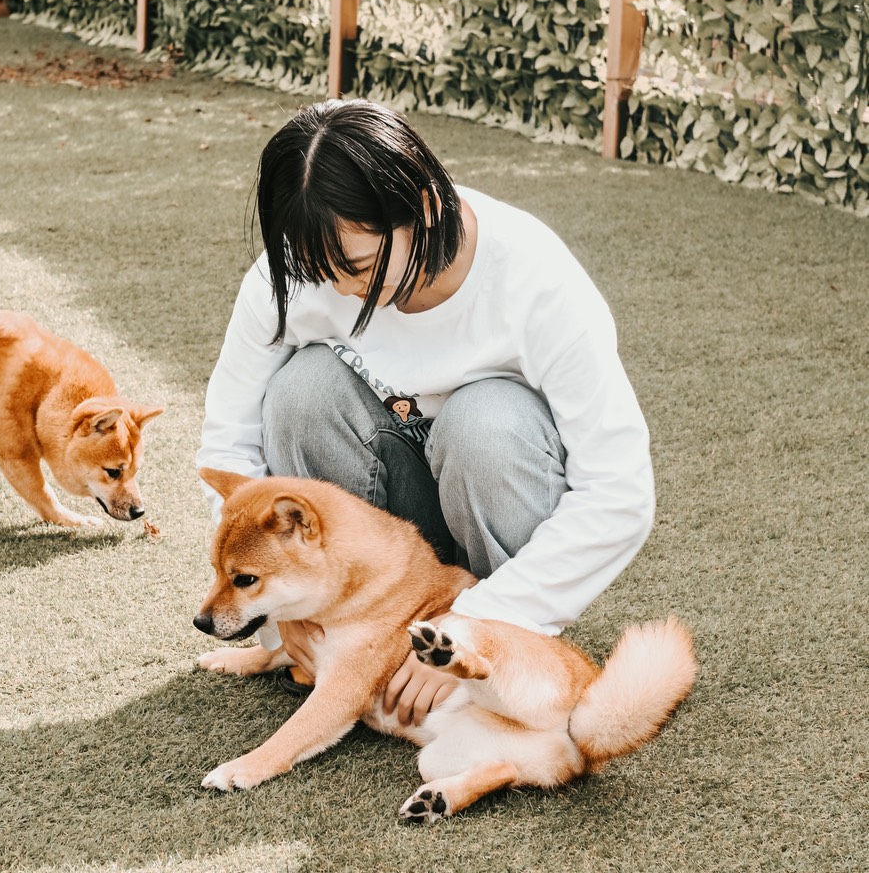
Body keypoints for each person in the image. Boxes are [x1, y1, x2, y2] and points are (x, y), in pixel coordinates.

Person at [197, 98, 655, 726]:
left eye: (357, 266)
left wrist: (478, 621)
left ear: (427, 206)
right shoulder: (297, 275)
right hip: (382, 550)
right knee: (302, 392)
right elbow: (229, 448)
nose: (340, 289)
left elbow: (620, 492)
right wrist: (285, 611)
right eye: (316, 269)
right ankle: (352, 632)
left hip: (493, 503)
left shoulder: (537, 282)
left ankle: (498, 652)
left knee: (487, 418)